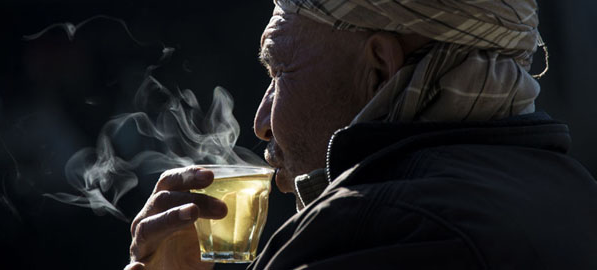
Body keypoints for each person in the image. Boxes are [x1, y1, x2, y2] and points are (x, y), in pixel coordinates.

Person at [125, 0, 597, 269]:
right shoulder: (575, 191)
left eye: (280, 72)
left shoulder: (366, 228)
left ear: (378, 69)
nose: (262, 120)